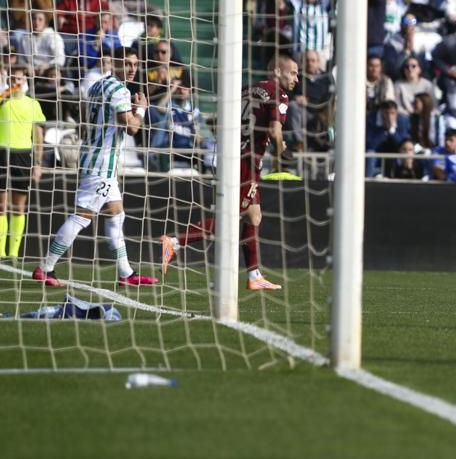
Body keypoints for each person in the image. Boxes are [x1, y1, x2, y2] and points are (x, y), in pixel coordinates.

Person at [159, 55, 299, 290]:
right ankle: (174, 242)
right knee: (231, 217)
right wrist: (280, 150)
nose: (297, 78)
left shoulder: (246, 89)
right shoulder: (279, 94)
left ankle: (254, 275)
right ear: (277, 71)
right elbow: (275, 131)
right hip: (247, 162)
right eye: (293, 72)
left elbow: (221, 121)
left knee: (253, 215)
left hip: (231, 154)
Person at [34, 49, 157, 287]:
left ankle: (126, 274)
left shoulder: (96, 86)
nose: (132, 69)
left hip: (93, 157)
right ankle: (45, 267)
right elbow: (132, 128)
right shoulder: (120, 90)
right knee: (82, 217)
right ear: (115, 63)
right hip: (102, 163)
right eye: (127, 63)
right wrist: (141, 108)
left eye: (135, 64)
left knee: (116, 214)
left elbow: (92, 118)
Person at [0, 67, 44, 258]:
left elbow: (39, 136)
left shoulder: (33, 104)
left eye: (19, 79)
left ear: (25, 80)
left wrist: (38, 162)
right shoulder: (2, 100)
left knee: (19, 206)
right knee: (1, 206)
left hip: (23, 156)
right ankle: (0, 252)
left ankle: (14, 253)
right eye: (12, 79)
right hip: (2, 153)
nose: (16, 82)